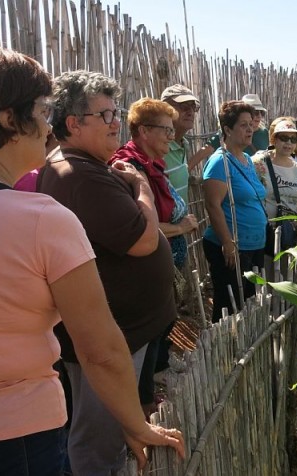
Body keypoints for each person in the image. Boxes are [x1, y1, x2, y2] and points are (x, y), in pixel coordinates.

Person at [0, 45, 183, 476]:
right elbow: (100, 349)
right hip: (8, 440)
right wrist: (135, 424)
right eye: (44, 109)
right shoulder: (41, 219)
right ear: (9, 120)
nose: (49, 124)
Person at [37, 70, 181, 475]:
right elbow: (144, 241)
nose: (116, 123)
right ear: (73, 123)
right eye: (106, 115)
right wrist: (142, 190)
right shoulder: (78, 174)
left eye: (116, 112)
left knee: (110, 424)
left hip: (124, 331)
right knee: (96, 435)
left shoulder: (86, 167)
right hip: (111, 336)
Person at [110, 97, 199, 415]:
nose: (171, 136)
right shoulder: (127, 169)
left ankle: (147, 392)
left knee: (158, 332)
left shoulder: (151, 166)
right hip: (142, 273)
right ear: (144, 131)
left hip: (160, 267)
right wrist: (179, 229)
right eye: (165, 129)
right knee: (144, 337)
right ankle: (140, 404)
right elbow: (138, 227)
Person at [202, 100, 267, 322]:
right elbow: (212, 205)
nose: (250, 129)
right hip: (233, 248)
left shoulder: (247, 159)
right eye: (243, 125)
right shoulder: (219, 163)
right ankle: (227, 352)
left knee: (247, 302)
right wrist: (228, 243)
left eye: (251, 124)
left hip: (254, 244)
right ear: (227, 130)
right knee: (229, 306)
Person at [161, 84, 215, 201]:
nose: (191, 112)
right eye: (184, 106)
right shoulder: (157, 148)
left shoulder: (183, 144)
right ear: (165, 109)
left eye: (193, 107)